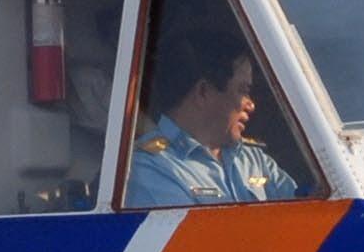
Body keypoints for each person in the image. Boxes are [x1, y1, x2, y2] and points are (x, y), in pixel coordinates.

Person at [128, 26, 304, 206]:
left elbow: (305, 212)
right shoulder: (148, 167)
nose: (251, 105)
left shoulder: (253, 159)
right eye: (243, 91)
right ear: (203, 92)